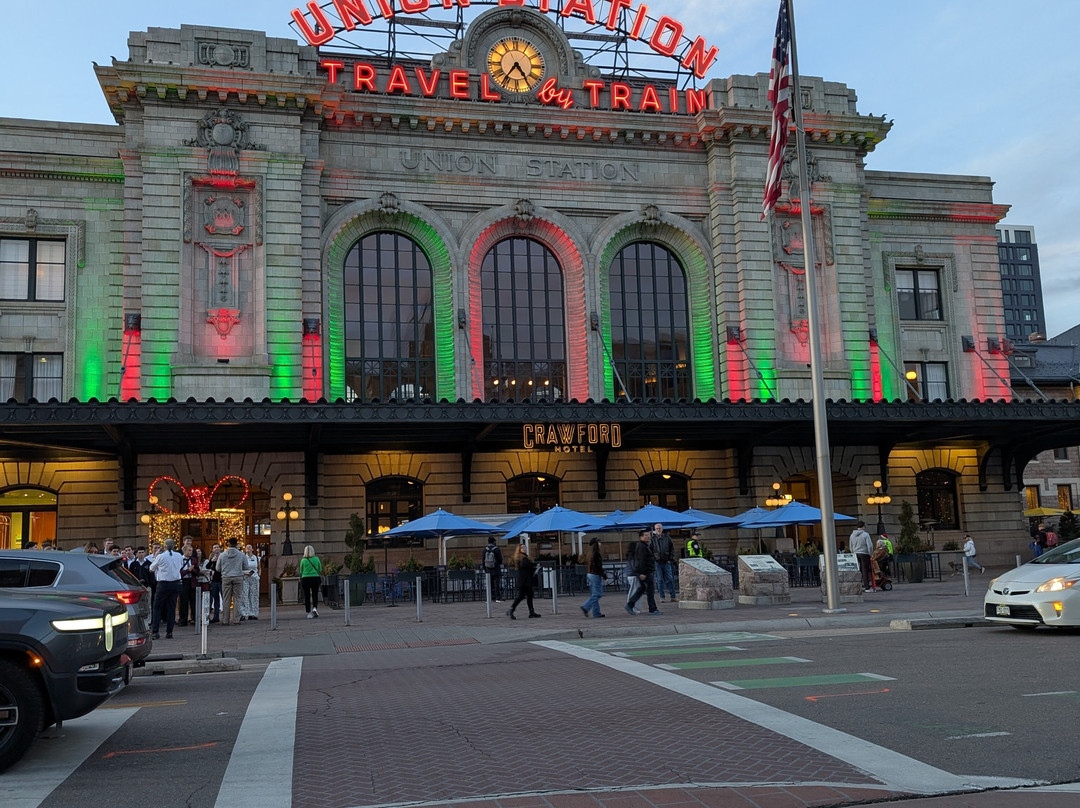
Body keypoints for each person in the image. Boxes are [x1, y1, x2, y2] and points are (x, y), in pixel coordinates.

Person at [149, 538, 184, 639]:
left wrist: (156, 557)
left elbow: (151, 568)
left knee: (157, 607)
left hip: (163, 583)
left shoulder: (161, 556)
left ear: (164, 546)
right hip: (175, 583)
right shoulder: (178, 556)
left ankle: (155, 631)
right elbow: (180, 566)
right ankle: (169, 632)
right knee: (171, 607)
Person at [625, 529, 661, 616]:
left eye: (648, 535)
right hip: (646, 572)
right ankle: (652, 609)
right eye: (645, 535)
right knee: (650, 591)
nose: (648, 536)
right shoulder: (641, 547)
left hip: (646, 571)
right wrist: (642, 573)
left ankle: (630, 604)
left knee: (642, 589)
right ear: (641, 537)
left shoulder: (645, 546)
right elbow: (641, 560)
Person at [506, 539, 540, 620]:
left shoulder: (525, 558)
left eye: (525, 547)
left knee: (529, 596)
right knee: (521, 596)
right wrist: (534, 566)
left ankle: (531, 611)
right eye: (523, 547)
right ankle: (511, 609)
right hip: (524, 581)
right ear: (519, 550)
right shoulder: (521, 559)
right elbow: (527, 565)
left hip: (526, 581)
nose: (525, 548)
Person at [217, 537, 247, 625]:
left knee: (226, 599)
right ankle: (236, 619)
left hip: (226, 577)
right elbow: (246, 566)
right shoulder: (241, 555)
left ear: (228, 544)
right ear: (236, 544)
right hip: (238, 576)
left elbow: (218, 568)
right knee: (237, 598)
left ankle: (225, 620)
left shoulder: (222, 555)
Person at [580, 536, 607, 618]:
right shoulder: (596, 554)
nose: (600, 544)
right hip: (595, 574)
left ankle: (596, 613)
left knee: (594, 594)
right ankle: (586, 607)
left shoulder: (589, 553)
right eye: (599, 542)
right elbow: (598, 567)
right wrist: (605, 576)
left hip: (589, 574)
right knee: (598, 594)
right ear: (596, 544)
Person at [649, 522, 676, 603]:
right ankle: (662, 597)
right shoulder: (653, 539)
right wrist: (653, 559)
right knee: (659, 580)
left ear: (662, 529)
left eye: (660, 528)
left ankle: (673, 596)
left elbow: (672, 549)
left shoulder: (667, 538)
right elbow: (650, 551)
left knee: (670, 579)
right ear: (655, 530)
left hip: (666, 561)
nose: (658, 530)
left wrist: (670, 559)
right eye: (657, 528)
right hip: (657, 562)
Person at [848, 520, 874, 592]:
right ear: (863, 527)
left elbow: (850, 546)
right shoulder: (866, 535)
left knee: (857, 570)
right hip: (864, 554)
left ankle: (857, 586)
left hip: (856, 554)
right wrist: (870, 554)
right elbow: (870, 546)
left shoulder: (852, 535)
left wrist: (853, 552)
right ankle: (867, 587)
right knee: (865, 570)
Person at [177, 543, 197, 627]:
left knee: (193, 601)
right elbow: (179, 573)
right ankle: (183, 619)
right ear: (184, 551)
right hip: (183, 581)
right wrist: (188, 570)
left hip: (191, 581)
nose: (190, 552)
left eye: (191, 551)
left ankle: (194, 618)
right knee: (183, 601)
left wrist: (193, 570)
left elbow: (197, 571)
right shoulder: (179, 560)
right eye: (189, 550)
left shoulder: (193, 560)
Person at [300, 545, 323, 618]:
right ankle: (315, 608)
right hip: (315, 578)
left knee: (307, 596)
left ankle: (308, 612)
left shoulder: (303, 560)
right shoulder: (316, 559)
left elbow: (301, 571)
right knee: (315, 594)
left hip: (305, 578)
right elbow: (320, 569)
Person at [239, 544, 261, 621]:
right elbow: (239, 568)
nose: (248, 548)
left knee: (254, 596)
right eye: (247, 547)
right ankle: (244, 613)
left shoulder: (256, 558)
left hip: (254, 578)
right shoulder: (243, 558)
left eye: (250, 547)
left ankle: (253, 613)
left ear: (252, 549)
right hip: (245, 578)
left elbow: (259, 567)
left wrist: (259, 575)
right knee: (244, 596)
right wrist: (245, 573)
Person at [481, 536, 504, 602]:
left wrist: (485, 569)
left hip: (488, 570)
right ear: (494, 542)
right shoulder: (497, 549)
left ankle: (490, 597)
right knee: (497, 584)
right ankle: (498, 597)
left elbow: (483, 560)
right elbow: (500, 560)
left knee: (489, 585)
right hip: (496, 569)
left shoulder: (485, 550)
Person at [205, 543, 223, 623]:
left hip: (222, 580)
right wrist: (212, 561)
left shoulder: (223, 556)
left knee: (224, 598)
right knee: (216, 599)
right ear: (212, 549)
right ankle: (216, 617)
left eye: (217, 547)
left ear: (220, 549)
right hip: (214, 581)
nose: (216, 548)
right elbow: (207, 567)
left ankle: (226, 617)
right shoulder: (212, 557)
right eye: (214, 547)